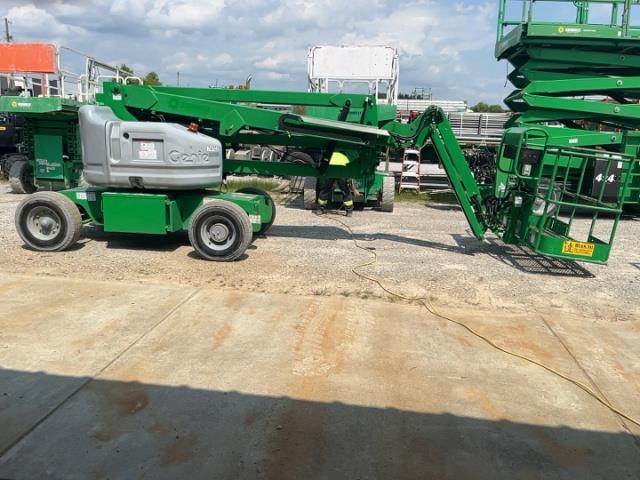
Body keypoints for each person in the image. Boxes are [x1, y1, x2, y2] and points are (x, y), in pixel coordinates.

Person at [315, 151, 354, 217]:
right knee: (344, 190)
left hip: (332, 169)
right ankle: (349, 210)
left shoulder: (331, 150)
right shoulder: (344, 151)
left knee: (326, 189)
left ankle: (320, 208)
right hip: (339, 169)